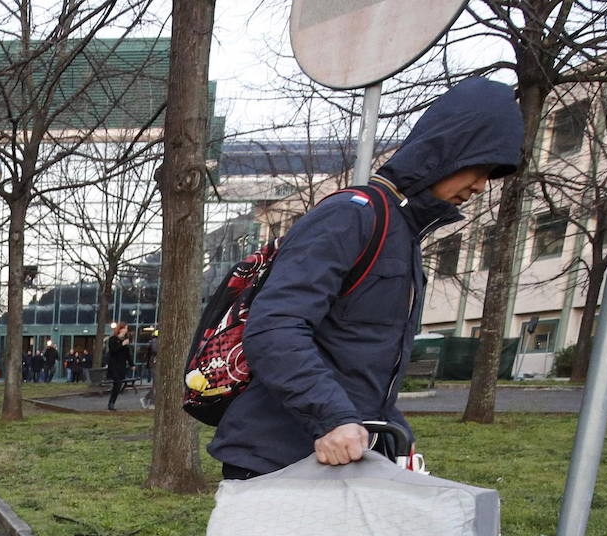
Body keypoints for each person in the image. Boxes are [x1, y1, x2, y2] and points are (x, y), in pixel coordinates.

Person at [209, 77, 523, 478]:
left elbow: (358, 358)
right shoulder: (353, 216)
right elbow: (275, 327)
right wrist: (332, 417)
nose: (481, 185)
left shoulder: (401, 233)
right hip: (280, 459)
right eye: (480, 167)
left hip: (334, 455)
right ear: (448, 150)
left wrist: (396, 436)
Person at [106, 323, 132, 410]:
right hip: (114, 366)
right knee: (117, 384)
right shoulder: (112, 339)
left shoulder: (125, 340)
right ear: (121, 329)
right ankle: (111, 403)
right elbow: (113, 351)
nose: (126, 330)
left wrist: (131, 364)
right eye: (125, 328)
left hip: (121, 366)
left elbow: (128, 354)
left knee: (118, 385)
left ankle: (112, 402)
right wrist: (122, 345)